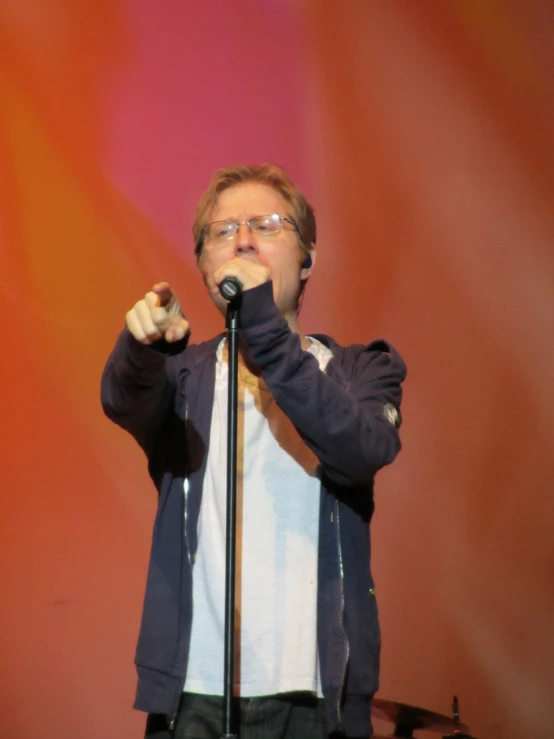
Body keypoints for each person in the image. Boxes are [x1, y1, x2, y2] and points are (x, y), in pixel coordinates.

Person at [101, 164, 407, 739]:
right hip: (193, 694)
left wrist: (263, 324)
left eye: (267, 225)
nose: (242, 240)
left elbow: (361, 449)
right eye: (221, 232)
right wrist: (140, 347)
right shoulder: (184, 376)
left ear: (308, 256)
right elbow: (123, 399)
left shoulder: (359, 370)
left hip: (316, 697)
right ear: (204, 266)